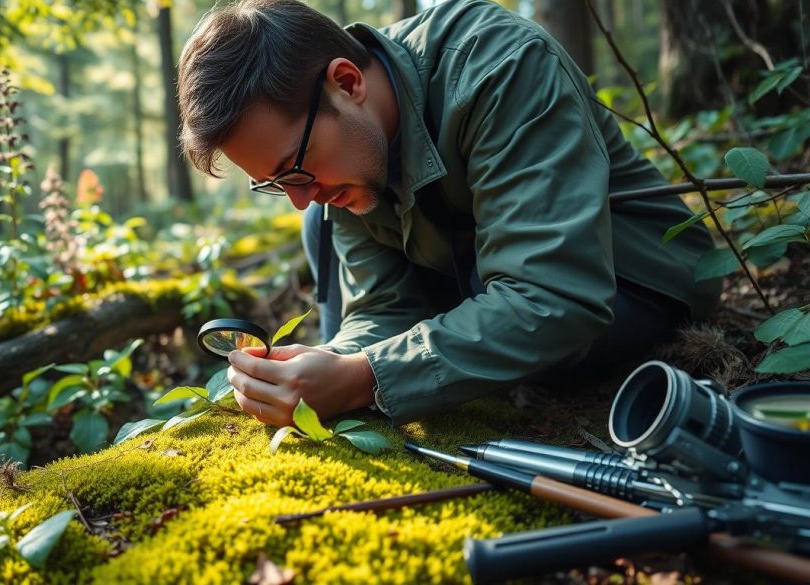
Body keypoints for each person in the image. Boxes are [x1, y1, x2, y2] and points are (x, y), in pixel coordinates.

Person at [176, 0, 721, 427]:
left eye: (294, 169)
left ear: (347, 83)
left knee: (491, 280)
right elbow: (385, 307)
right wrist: (331, 363)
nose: (299, 195)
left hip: (638, 285)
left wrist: (368, 378)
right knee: (318, 222)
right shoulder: (343, 164)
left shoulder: (497, 67)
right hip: (483, 281)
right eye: (274, 183)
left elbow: (555, 293)